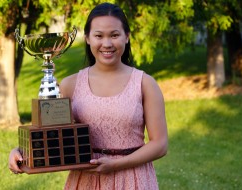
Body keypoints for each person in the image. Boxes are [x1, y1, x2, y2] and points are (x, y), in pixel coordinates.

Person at [9, 2, 168, 189]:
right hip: (86, 180)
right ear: (87, 38)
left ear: (127, 37)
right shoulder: (70, 84)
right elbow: (50, 135)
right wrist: (21, 152)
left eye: (114, 35)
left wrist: (116, 164)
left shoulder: (145, 83)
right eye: (98, 35)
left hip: (132, 178)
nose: (107, 43)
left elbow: (160, 144)